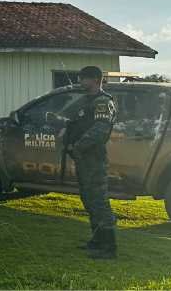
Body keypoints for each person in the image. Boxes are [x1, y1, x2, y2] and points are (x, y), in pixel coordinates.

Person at [63, 65, 118, 259]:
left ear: (95, 79)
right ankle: (96, 241)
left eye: (83, 78)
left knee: (99, 202)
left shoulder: (103, 102)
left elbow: (100, 130)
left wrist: (78, 146)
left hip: (94, 158)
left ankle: (108, 247)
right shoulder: (87, 101)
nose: (80, 82)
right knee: (89, 200)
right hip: (84, 159)